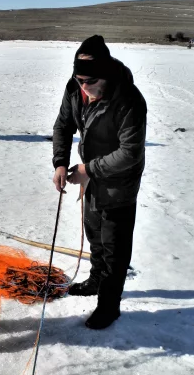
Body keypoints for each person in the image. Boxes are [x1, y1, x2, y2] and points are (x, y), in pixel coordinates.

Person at [52, 35, 147, 330]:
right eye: (79, 79)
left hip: (119, 182)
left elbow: (129, 153)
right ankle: (96, 280)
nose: (84, 87)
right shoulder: (75, 88)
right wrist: (60, 163)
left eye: (90, 81)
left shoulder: (129, 100)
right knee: (93, 231)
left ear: (105, 74)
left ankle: (109, 305)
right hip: (90, 176)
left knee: (114, 245)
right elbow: (63, 125)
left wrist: (89, 169)